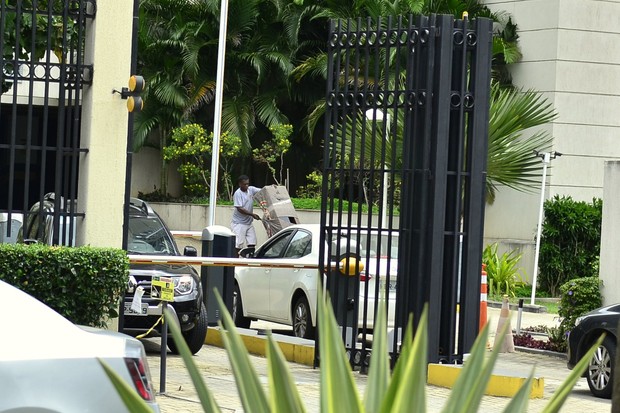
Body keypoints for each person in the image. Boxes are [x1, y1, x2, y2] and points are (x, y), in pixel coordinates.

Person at [231, 175, 261, 256]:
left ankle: (250, 260)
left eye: (247, 184)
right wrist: (252, 214)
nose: (246, 186)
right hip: (239, 223)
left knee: (252, 242)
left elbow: (262, 191)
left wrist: (271, 188)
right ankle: (234, 262)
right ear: (240, 184)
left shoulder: (251, 189)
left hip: (248, 223)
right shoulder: (238, 194)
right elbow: (240, 209)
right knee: (238, 245)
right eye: (244, 184)